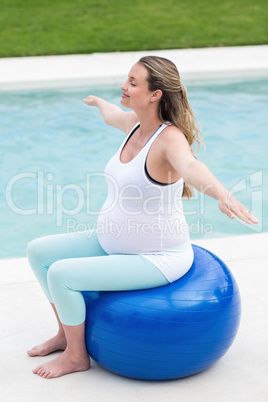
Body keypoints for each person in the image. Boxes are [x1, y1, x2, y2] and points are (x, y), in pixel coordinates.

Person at [26, 56, 258, 379]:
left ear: (155, 94)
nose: (124, 86)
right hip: (112, 242)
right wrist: (98, 103)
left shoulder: (169, 139)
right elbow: (112, 116)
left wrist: (222, 194)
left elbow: (191, 167)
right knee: (38, 251)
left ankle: (76, 356)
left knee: (61, 274)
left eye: (133, 83)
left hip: (156, 257)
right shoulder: (133, 124)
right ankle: (66, 334)